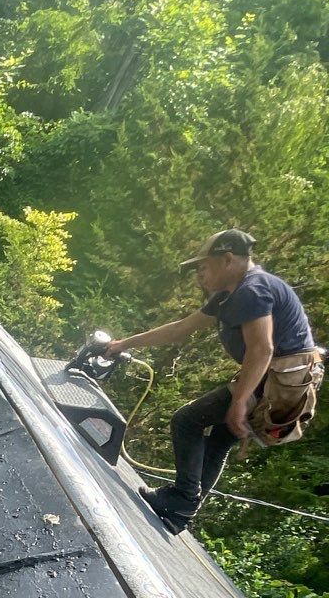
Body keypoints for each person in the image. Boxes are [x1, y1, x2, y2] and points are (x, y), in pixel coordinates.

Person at [105, 227, 321, 533]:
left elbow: (262, 349)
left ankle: (182, 498)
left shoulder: (252, 289)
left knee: (187, 420)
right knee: (219, 439)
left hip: (278, 381)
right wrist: (123, 344)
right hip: (281, 381)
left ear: (228, 260)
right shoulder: (227, 297)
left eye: (203, 267)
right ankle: (182, 511)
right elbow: (180, 329)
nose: (199, 276)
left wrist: (240, 400)